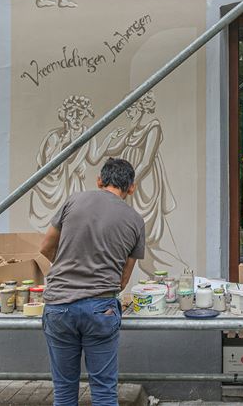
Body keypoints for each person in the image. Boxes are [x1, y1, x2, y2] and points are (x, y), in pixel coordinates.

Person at [41, 158, 145, 406]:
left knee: (64, 391)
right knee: (104, 391)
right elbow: (123, 280)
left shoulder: (73, 201)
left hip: (59, 306)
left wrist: (69, 264)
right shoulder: (135, 220)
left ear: (99, 180)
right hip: (100, 308)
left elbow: (45, 248)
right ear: (131, 187)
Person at [92, 92, 183, 276]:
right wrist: (105, 139)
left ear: (141, 108)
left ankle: (177, 271)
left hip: (145, 184)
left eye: (131, 110)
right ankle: (151, 269)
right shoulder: (132, 132)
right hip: (130, 183)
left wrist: (130, 182)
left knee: (148, 234)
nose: (128, 115)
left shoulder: (153, 127)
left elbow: (147, 160)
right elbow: (112, 150)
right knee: (137, 235)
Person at [28, 96, 97, 230]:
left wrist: (110, 140)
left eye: (80, 113)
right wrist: (63, 143)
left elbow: (94, 159)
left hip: (74, 183)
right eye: (71, 114)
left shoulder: (87, 134)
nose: (76, 118)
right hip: (55, 185)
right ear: (65, 116)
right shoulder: (54, 136)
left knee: (75, 220)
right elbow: (48, 166)